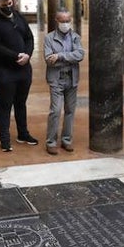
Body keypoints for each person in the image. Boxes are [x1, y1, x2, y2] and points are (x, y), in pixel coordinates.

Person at [0, 0, 37, 152]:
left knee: (21, 103)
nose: (8, 7)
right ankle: (5, 139)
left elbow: (29, 37)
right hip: (4, 71)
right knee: (5, 105)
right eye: (4, 5)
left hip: (23, 69)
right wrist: (16, 56)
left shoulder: (19, 17)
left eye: (10, 3)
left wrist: (27, 55)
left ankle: (23, 133)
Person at [43, 9, 84, 155]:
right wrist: (69, 58)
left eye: (68, 21)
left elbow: (80, 54)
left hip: (72, 78)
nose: (65, 24)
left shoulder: (75, 37)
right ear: (57, 21)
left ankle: (66, 140)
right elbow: (48, 59)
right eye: (62, 21)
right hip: (56, 79)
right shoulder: (49, 38)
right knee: (55, 110)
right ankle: (51, 142)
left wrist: (60, 56)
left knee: (70, 111)